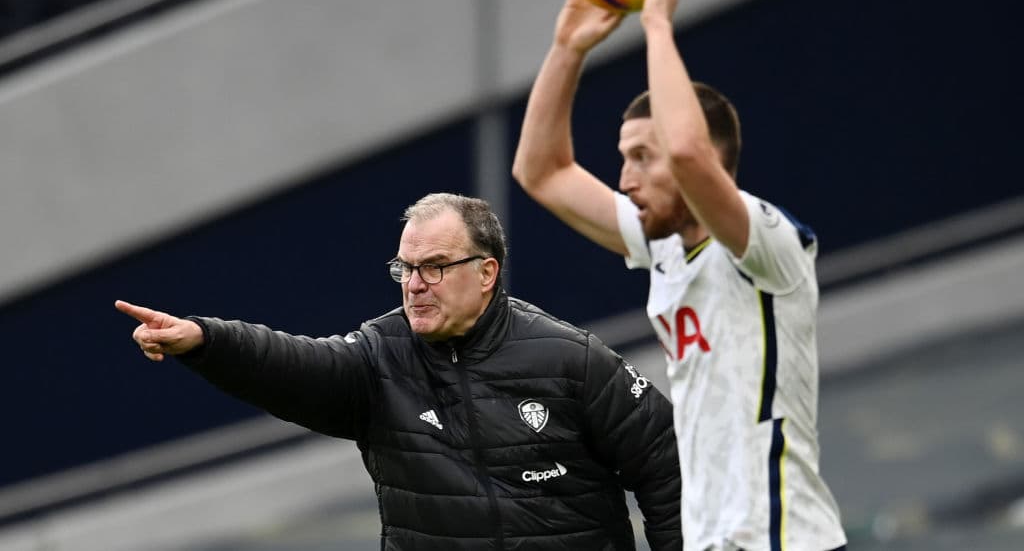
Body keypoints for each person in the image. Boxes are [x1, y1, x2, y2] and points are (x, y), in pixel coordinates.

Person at [512, 0, 847, 551]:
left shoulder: (768, 245)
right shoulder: (662, 242)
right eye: (623, 158)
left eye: (643, 156)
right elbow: (541, 173)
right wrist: (567, 48)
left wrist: (657, 25)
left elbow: (690, 154)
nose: (625, 178)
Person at [116, 192, 682, 551]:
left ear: (486, 272)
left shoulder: (570, 358)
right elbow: (292, 365)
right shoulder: (377, 355)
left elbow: (668, 467)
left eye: (434, 267)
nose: (414, 284)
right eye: (405, 268)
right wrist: (205, 340)